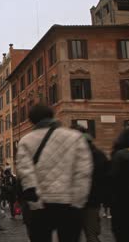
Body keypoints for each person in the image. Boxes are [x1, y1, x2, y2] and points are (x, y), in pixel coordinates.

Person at [16, 104, 92, 242]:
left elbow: (25, 173)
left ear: (31, 120)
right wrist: (78, 202)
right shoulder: (75, 137)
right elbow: (83, 172)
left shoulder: (26, 140)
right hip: (69, 204)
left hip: (41, 206)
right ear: (52, 115)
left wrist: (35, 204)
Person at [72, 125, 109, 242]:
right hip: (94, 201)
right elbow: (106, 178)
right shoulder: (99, 154)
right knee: (92, 234)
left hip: (73, 202)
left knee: (70, 235)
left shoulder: (71, 154)